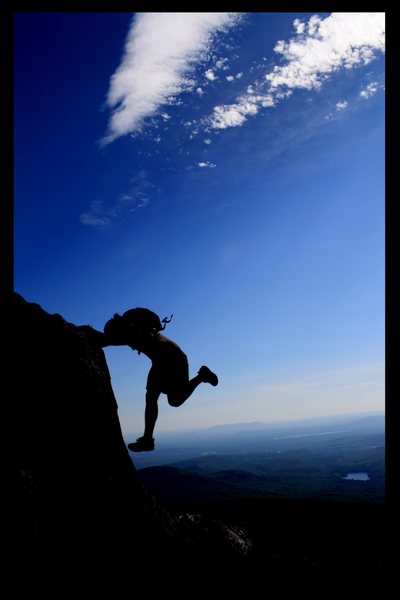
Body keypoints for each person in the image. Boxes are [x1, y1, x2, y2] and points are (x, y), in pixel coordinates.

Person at [102, 308, 218, 452]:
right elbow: (111, 340)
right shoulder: (132, 329)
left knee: (166, 399)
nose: (130, 347)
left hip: (173, 359)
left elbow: (110, 340)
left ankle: (147, 440)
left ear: (120, 331)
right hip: (164, 359)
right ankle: (148, 440)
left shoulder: (134, 331)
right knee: (163, 398)